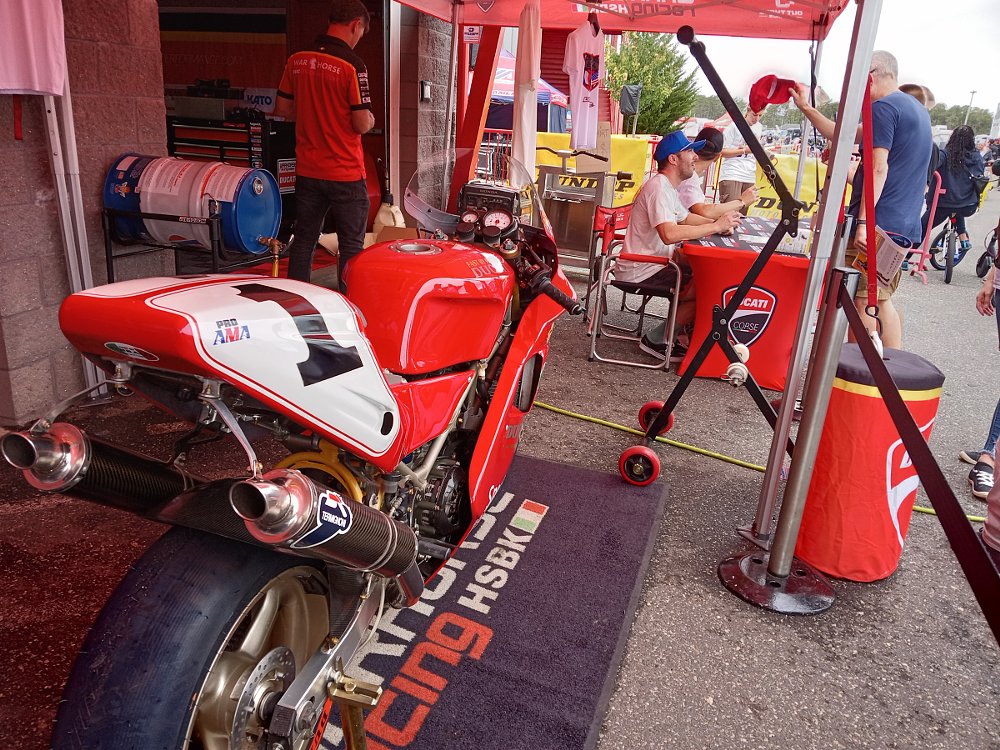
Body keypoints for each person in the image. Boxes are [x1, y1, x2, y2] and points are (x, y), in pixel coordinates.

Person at [790, 50, 932, 350]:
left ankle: (866, 375)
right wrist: (807, 109)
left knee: (864, 301)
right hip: (900, 224)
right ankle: (886, 371)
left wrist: (865, 222)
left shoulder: (883, 108)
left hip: (880, 225)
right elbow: (844, 135)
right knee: (879, 298)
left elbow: (880, 168)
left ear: (871, 74)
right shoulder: (914, 109)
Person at [614, 131, 742, 362]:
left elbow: (685, 219)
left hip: (652, 265)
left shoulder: (666, 186)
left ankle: (679, 333)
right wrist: (714, 227)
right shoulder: (659, 188)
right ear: (673, 159)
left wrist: (719, 224)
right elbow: (670, 234)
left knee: (705, 277)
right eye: (689, 151)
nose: (695, 156)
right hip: (642, 270)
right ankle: (658, 339)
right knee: (708, 287)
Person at [273, 0, 375, 289]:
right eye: (361, 33)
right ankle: (350, 305)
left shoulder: (297, 59)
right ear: (356, 24)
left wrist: (313, 112)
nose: (357, 40)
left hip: (308, 168)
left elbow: (282, 109)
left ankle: (297, 301)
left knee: (304, 239)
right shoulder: (352, 65)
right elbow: (359, 123)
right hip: (345, 172)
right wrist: (369, 119)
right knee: (352, 246)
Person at [921, 125, 986, 255]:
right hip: (968, 205)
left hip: (943, 204)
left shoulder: (946, 154)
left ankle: (905, 258)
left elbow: (933, 163)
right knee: (958, 207)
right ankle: (964, 240)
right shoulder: (976, 157)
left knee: (922, 228)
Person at [678, 127, 758, 218]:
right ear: (717, 157)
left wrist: (716, 223)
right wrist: (742, 201)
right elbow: (703, 212)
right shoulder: (689, 178)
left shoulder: (686, 173)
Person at [718, 107, 764, 215]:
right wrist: (743, 150)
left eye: (760, 116)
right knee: (729, 213)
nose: (756, 118)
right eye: (754, 115)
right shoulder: (733, 127)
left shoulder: (759, 127)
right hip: (732, 173)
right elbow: (721, 151)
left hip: (749, 174)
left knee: (742, 215)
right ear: (747, 112)